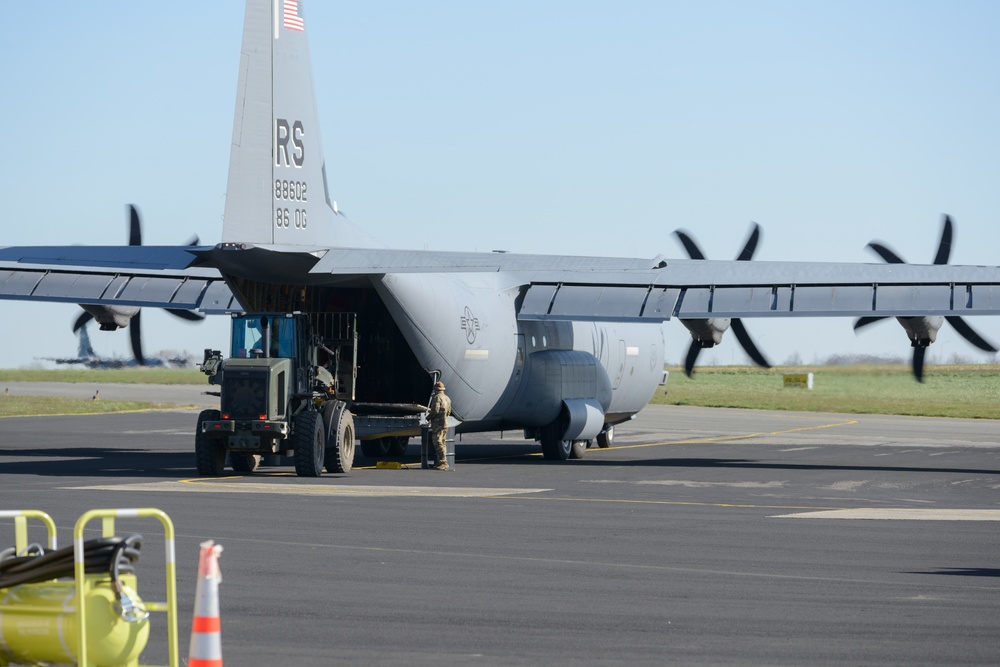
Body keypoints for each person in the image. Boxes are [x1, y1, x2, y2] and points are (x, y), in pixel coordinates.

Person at [427, 381, 452, 470]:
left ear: (436, 390)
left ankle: (443, 462)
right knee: (443, 442)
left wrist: (428, 417)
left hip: (438, 424)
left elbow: (435, 410)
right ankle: (441, 461)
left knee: (437, 442)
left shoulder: (437, 398)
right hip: (445, 423)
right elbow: (449, 412)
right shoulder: (447, 398)